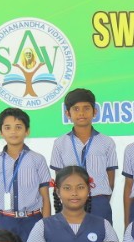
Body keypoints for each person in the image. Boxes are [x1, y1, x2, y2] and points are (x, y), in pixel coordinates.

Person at [0, 107, 51, 242]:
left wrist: (46, 228)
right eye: (8, 127)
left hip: (32, 221)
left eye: (18, 127)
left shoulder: (38, 160)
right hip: (5, 221)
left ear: (27, 131)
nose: (13, 132)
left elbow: (45, 197)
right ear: (1, 132)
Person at [50, 88, 119, 224]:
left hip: (99, 201)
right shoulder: (60, 143)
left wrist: (102, 200)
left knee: (102, 236)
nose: (81, 113)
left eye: (86, 108)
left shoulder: (106, 142)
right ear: (67, 113)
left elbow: (110, 178)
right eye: (76, 109)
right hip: (71, 202)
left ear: (95, 112)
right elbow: (59, 178)